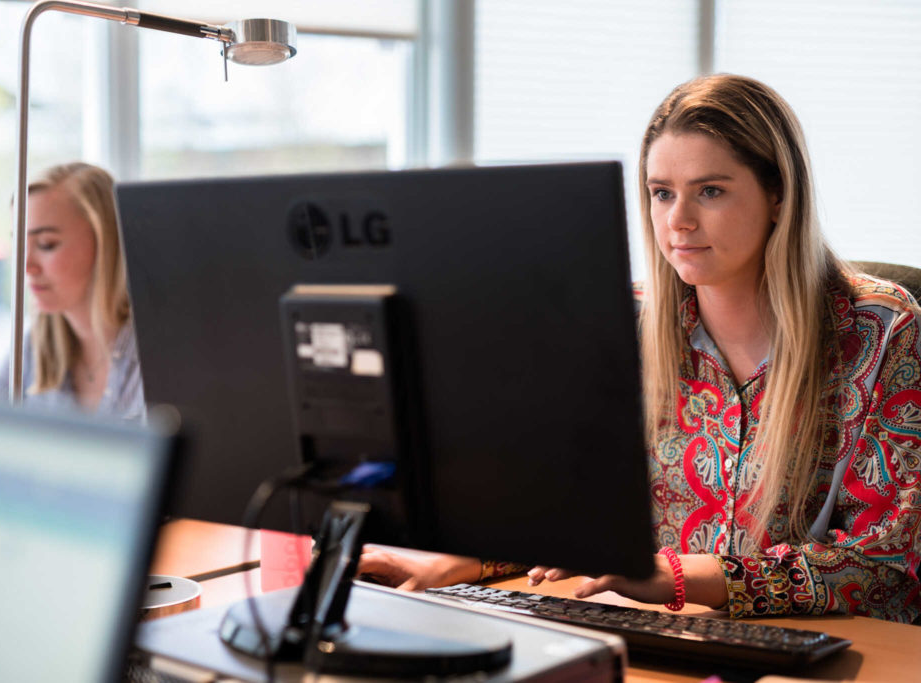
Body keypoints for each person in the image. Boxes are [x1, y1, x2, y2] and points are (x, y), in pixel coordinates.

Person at [359, 74, 921, 623]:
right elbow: (570, 508)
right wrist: (469, 560)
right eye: (661, 193)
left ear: (777, 195)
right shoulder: (625, 323)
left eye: (711, 190)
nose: (678, 220)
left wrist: (679, 576)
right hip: (650, 641)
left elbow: (891, 566)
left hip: (818, 655)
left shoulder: (879, 333)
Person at [0, 162, 145, 421]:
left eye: (46, 244)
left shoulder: (156, 353)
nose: (26, 266)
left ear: (106, 244)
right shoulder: (37, 343)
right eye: (20, 244)